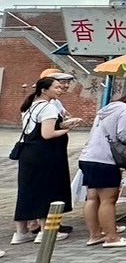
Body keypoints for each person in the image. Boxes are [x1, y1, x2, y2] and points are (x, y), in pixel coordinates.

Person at [13, 76, 83, 245]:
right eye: (56, 87)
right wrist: (68, 128)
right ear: (44, 90)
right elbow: (48, 134)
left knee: (27, 191)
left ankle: (21, 232)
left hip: (28, 153)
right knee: (47, 190)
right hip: (45, 154)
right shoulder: (49, 107)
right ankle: (45, 232)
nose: (60, 90)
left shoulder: (30, 106)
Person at [79, 88, 126, 247]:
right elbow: (124, 134)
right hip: (105, 160)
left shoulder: (106, 108)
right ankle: (112, 237)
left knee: (92, 198)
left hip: (88, 156)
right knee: (108, 199)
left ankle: (95, 234)